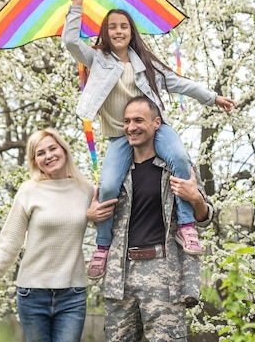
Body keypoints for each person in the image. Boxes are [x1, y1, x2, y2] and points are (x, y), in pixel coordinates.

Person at [63, 0, 235, 278]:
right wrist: (76, 6)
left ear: (131, 32)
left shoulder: (146, 64)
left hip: (155, 130)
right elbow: (70, 41)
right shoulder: (97, 59)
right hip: (120, 135)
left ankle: (186, 226)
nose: (118, 31)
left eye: (124, 26)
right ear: (105, 32)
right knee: (106, 187)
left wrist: (212, 98)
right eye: (112, 27)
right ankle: (102, 246)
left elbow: (180, 84)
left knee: (180, 159)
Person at [87, 96, 214, 342]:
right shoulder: (115, 173)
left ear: (157, 123)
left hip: (164, 273)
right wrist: (91, 216)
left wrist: (195, 198)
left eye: (138, 120)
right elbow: (100, 215)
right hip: (119, 274)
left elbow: (206, 217)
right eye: (126, 121)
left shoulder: (176, 167)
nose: (131, 127)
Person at [0, 128, 107, 342]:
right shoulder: (29, 191)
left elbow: (106, 229)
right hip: (32, 294)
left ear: (64, 149)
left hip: (72, 294)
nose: (49, 156)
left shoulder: (86, 190)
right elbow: (10, 241)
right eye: (41, 153)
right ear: (34, 161)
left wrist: (91, 217)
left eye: (53, 148)